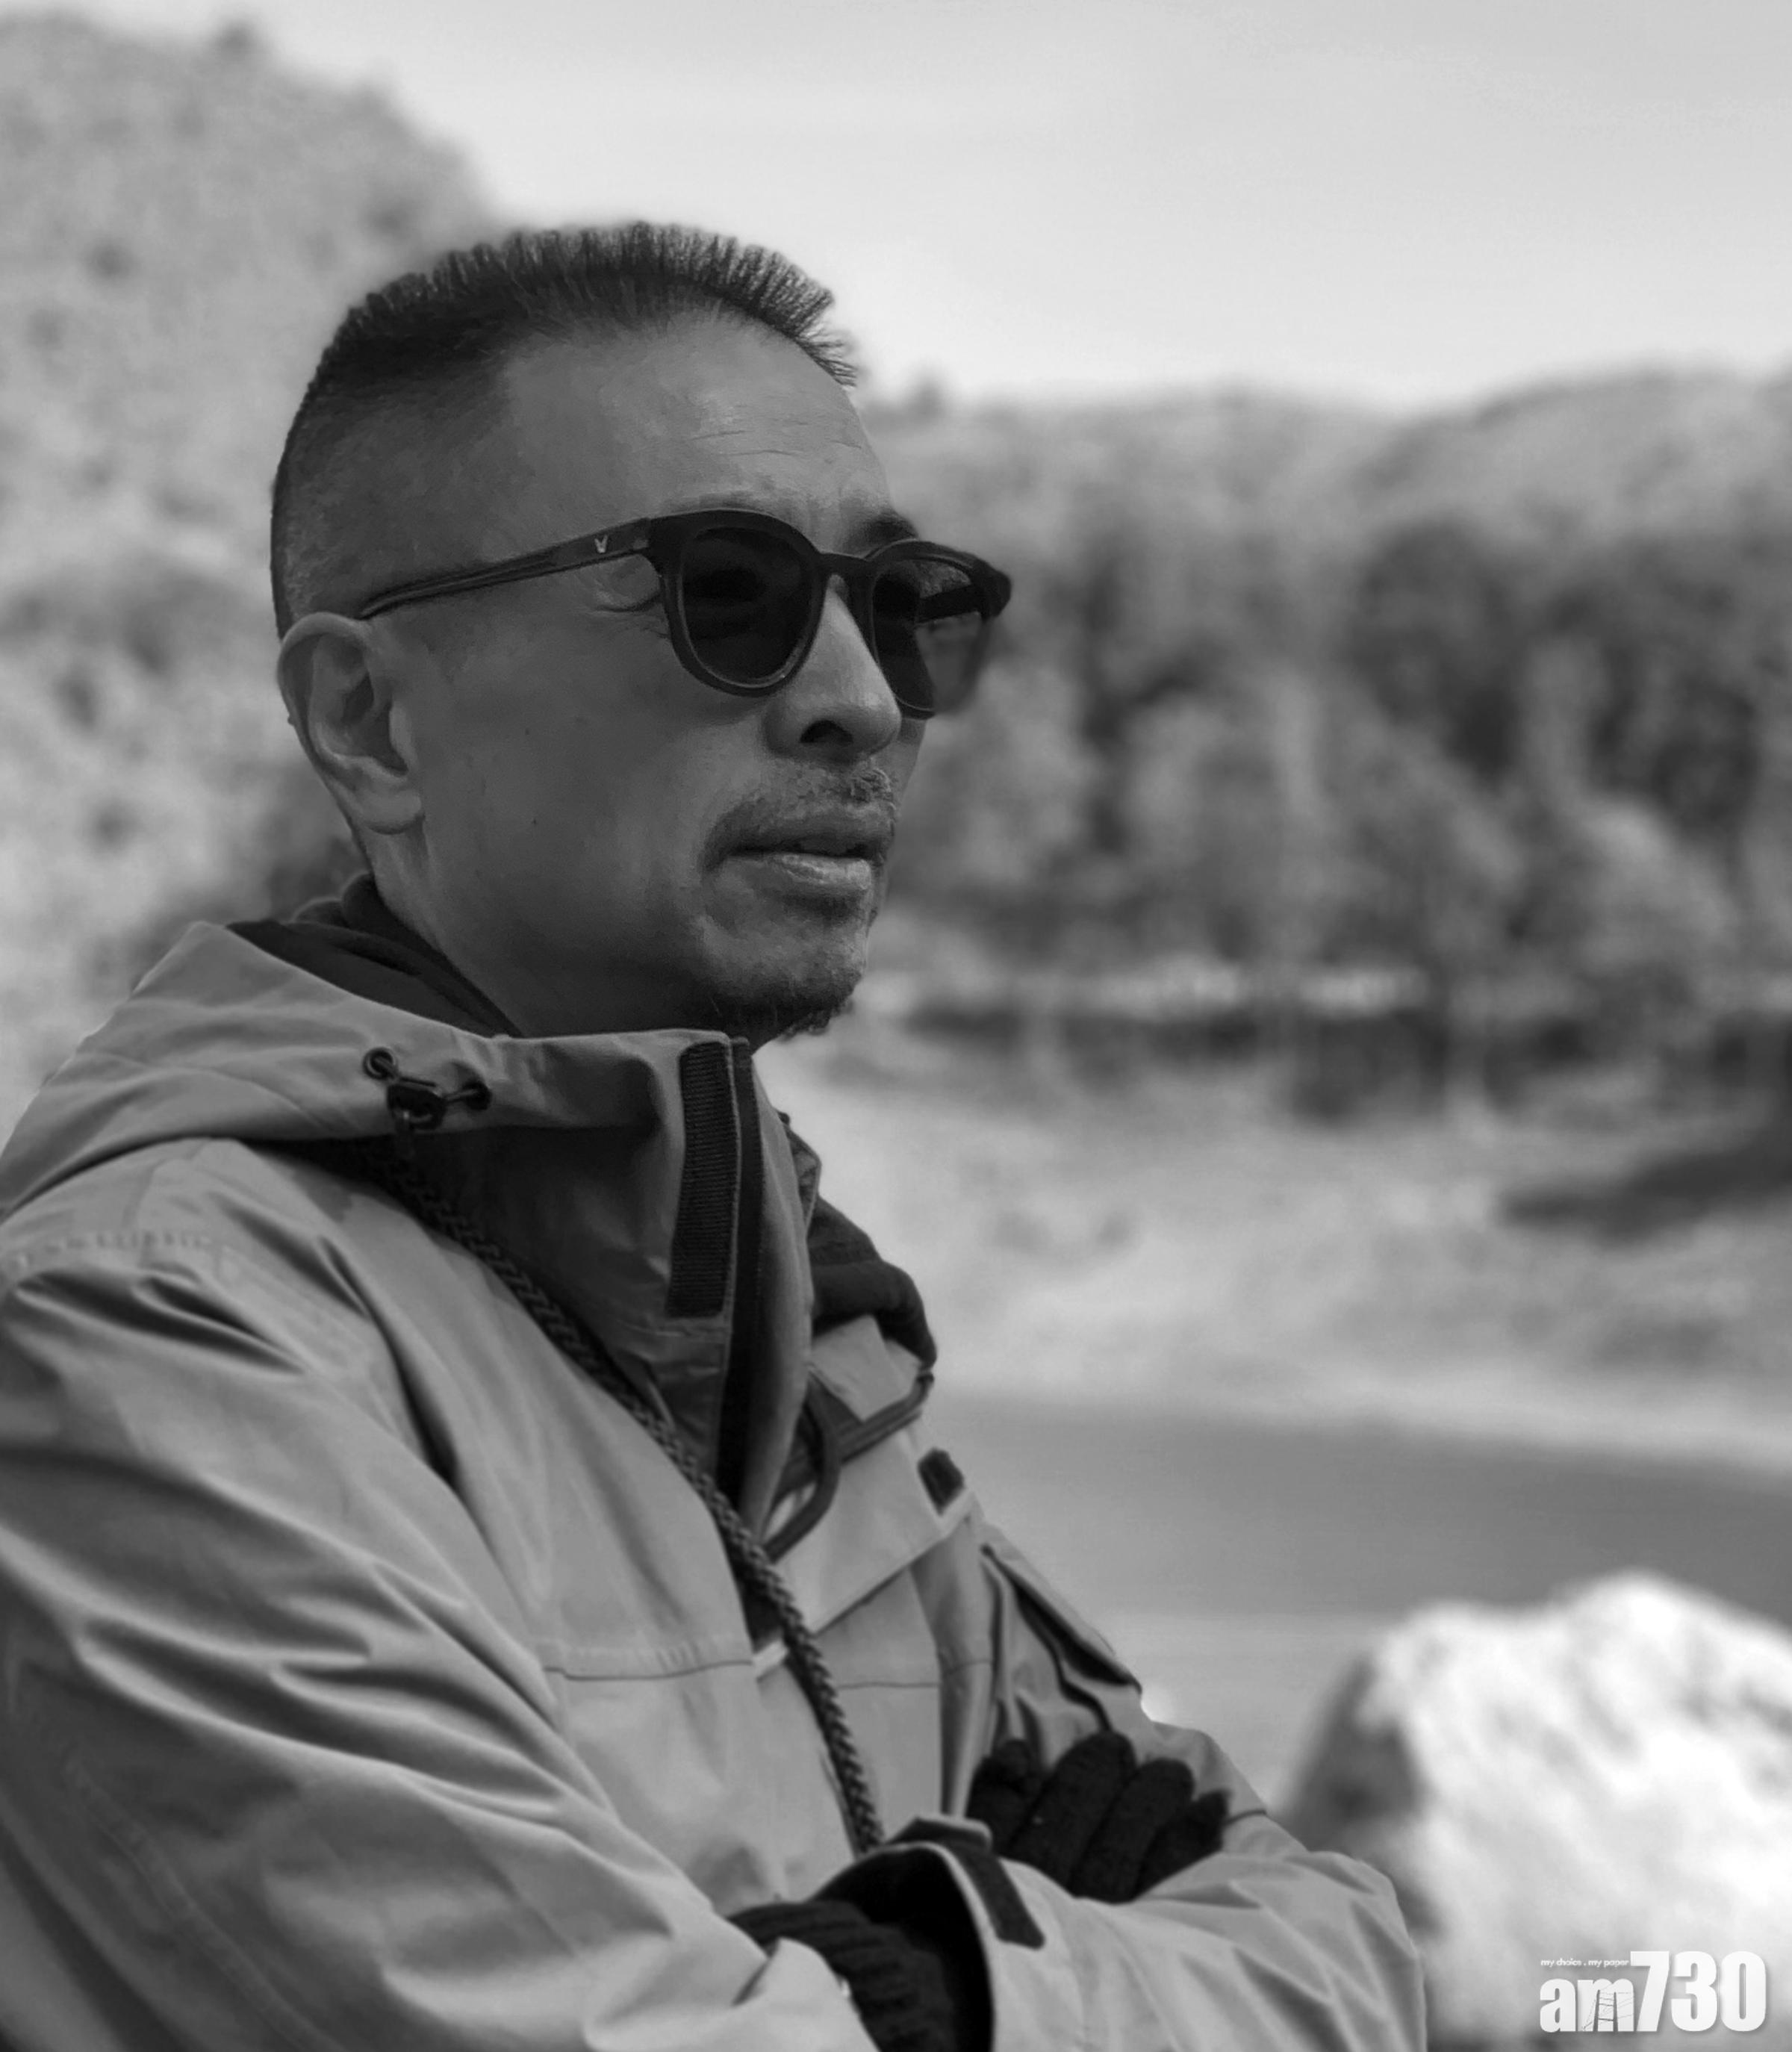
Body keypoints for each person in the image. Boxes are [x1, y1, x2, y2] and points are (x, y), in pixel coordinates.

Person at [0, 223, 1424, 2051]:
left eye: (900, 604)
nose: (864, 698)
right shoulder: (146, 1341)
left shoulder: (796, 1352)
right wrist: (988, 1977)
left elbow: (1350, 1959)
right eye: (725, 593)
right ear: (372, 722)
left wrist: (919, 1990)